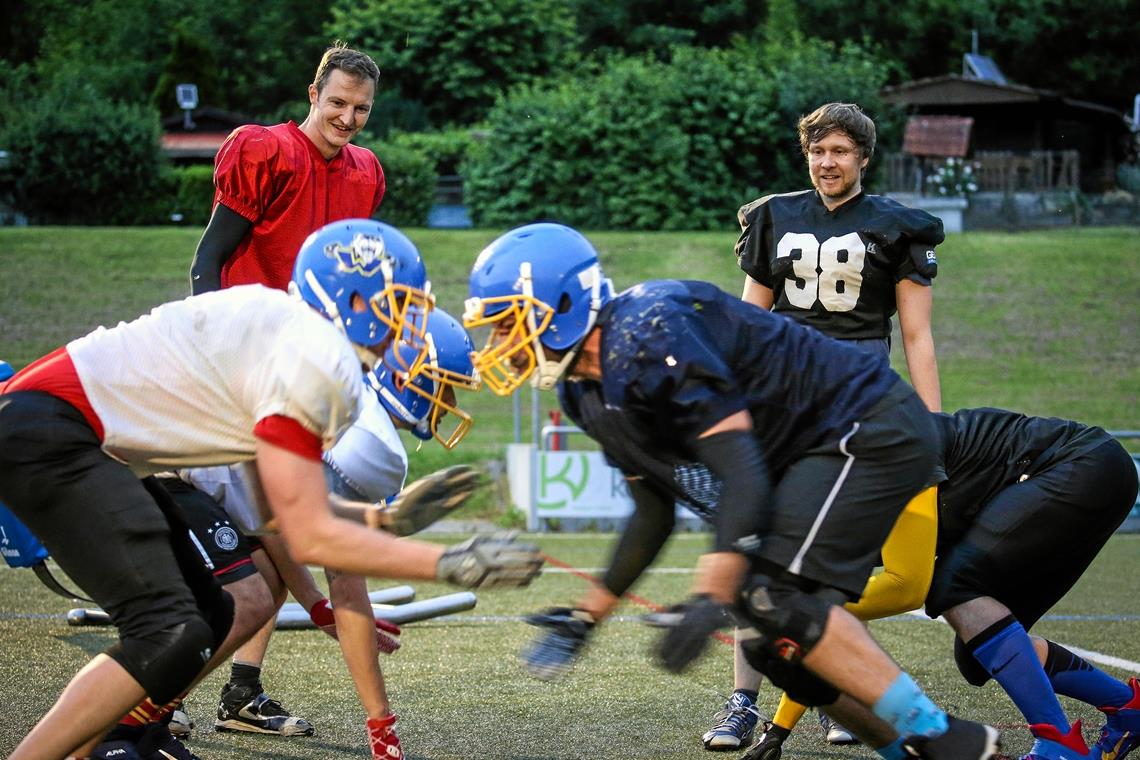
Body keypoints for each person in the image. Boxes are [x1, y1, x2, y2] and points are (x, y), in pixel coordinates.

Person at [0, 219, 540, 760]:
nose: (408, 322)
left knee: (211, 614)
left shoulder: (287, 333)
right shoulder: (319, 355)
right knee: (170, 630)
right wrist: (447, 561)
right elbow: (308, 536)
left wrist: (379, 522)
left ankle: (90, 748)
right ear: (352, 298)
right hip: (58, 433)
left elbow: (274, 513)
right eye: (400, 304)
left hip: (68, 432)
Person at [464, 222, 1000, 760]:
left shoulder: (649, 331)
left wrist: (711, 594)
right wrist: (587, 617)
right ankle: (908, 750)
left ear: (558, 307)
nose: (499, 344)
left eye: (507, 323)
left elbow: (742, 472)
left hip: (863, 423)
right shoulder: (586, 391)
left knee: (770, 598)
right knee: (776, 649)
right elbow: (652, 514)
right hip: (810, 452)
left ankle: (937, 734)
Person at [90, 308, 483, 760]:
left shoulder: (358, 420)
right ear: (401, 371)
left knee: (263, 584)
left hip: (198, 474)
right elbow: (297, 528)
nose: (448, 399)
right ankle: (117, 728)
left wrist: (319, 608)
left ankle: (149, 722)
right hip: (160, 461)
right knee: (246, 599)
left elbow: (280, 524)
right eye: (444, 383)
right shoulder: (353, 430)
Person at [712, 100, 946, 750]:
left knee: (830, 562)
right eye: (817, 150)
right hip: (783, 408)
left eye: (840, 151)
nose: (826, 162)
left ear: (863, 158)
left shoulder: (897, 226)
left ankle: (824, 696)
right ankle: (740, 703)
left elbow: (918, 337)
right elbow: (747, 325)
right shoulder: (774, 216)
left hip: (855, 408)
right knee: (760, 549)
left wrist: (931, 426)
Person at [745, 408, 1139, 760]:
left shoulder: (878, 451)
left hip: (1080, 463)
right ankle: (1128, 709)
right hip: (1092, 478)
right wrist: (780, 728)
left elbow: (905, 586)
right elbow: (819, 633)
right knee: (977, 652)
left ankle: (1057, 744)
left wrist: (801, 616)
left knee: (954, 588)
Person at [189, 42, 386, 294]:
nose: (348, 119)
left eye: (361, 108)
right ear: (314, 94)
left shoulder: (366, 170)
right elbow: (208, 258)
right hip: (252, 325)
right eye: (337, 103)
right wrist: (210, 327)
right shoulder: (264, 149)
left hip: (320, 328)